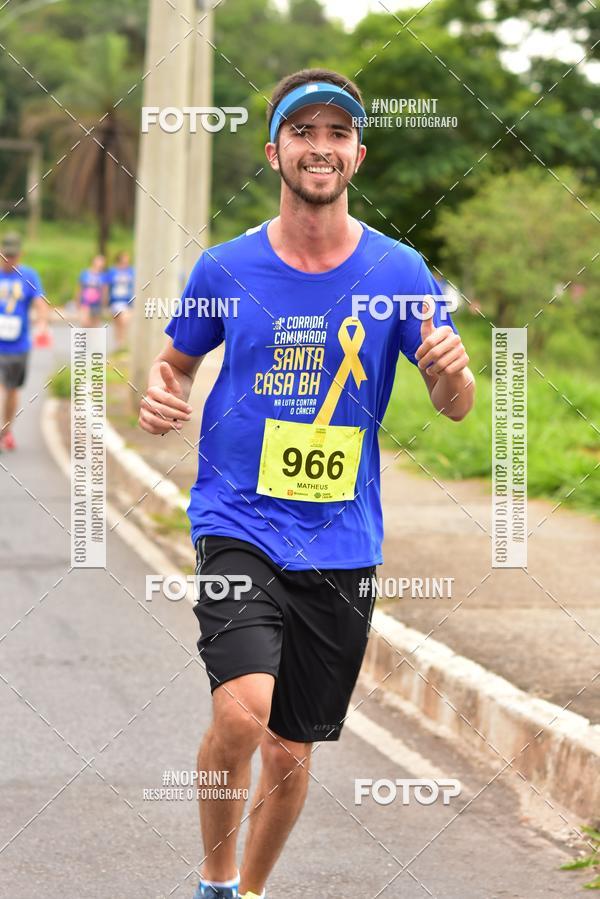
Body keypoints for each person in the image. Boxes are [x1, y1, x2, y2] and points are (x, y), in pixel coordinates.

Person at [139, 68, 475, 899]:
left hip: (341, 535)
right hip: (236, 518)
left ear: (358, 153)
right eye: (303, 132)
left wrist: (452, 372)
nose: (319, 148)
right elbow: (175, 361)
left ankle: (249, 890)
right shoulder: (226, 266)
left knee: (290, 747)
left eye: (336, 135)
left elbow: (454, 404)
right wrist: (162, 391)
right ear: (275, 150)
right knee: (241, 712)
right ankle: (214, 882)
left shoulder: (401, 270)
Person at [0, 231, 49, 450]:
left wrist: (42, 325)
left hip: (19, 346)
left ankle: (6, 431)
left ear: (20, 254)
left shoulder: (29, 275)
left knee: (12, 390)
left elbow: (40, 302)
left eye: (12, 256)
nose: (8, 260)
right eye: (5, 255)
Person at [106, 250, 134, 349]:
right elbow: (107, 287)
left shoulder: (131, 271)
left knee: (124, 320)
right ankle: (119, 343)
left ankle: (123, 342)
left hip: (127, 301)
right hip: (115, 301)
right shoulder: (112, 272)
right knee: (117, 323)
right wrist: (105, 301)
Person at [77, 254, 106, 327]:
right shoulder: (85, 273)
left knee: (95, 325)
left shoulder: (103, 276)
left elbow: (105, 290)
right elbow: (79, 288)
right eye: (99, 260)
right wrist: (77, 300)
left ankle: (93, 338)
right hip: (85, 302)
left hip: (97, 303)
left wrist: (104, 303)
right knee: (84, 322)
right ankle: (85, 337)